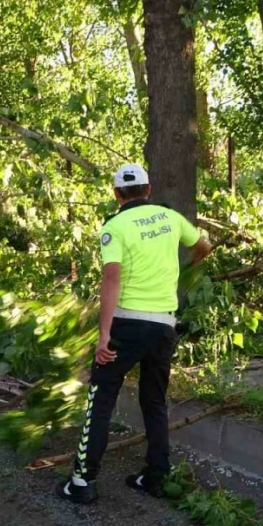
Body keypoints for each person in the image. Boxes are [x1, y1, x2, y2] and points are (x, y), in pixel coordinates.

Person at [58, 163, 212, 504]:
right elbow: (202, 245)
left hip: (127, 326)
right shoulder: (168, 218)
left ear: (117, 194)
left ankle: (83, 482)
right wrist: (188, 272)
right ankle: (156, 476)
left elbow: (111, 279)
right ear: (149, 188)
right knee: (154, 401)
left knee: (101, 399)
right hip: (163, 326)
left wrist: (103, 336)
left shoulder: (115, 226)